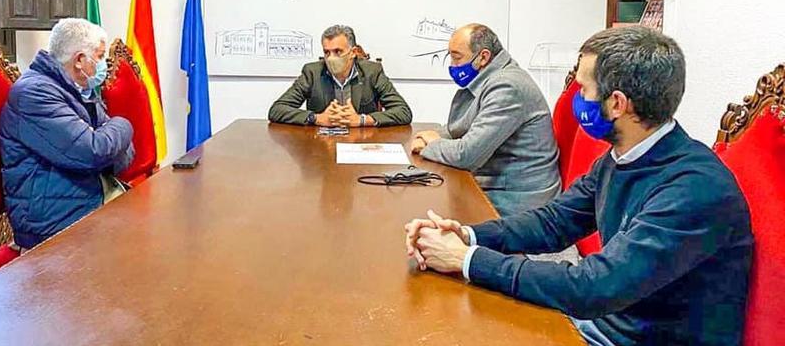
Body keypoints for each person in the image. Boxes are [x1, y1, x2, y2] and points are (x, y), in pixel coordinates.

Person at [404, 26, 753, 346]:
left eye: (584, 89)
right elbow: (554, 222)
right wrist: (468, 235)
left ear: (616, 103)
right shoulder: (622, 156)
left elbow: (593, 286)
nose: (577, 99)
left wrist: (468, 260)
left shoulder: (694, 189)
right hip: (601, 321)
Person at [0, 18, 135, 250]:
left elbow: (121, 153)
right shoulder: (35, 93)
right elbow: (94, 151)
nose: (105, 65)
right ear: (80, 60)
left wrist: (107, 147)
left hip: (87, 199)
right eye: (100, 57)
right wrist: (124, 123)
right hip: (55, 222)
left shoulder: (75, 88)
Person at [411, 24, 560, 216]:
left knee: (427, 214)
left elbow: (467, 155)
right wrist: (432, 136)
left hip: (520, 201)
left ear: (483, 57)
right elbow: (463, 127)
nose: (452, 66)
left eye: (457, 58)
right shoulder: (492, 78)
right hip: (499, 185)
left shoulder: (507, 87)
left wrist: (430, 145)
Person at [268, 24, 412, 127]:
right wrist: (316, 118)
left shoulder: (372, 72)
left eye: (338, 52)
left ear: (353, 52)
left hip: (361, 144)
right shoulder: (312, 72)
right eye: (327, 52)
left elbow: (403, 111)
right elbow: (277, 110)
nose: (331, 58)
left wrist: (361, 120)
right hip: (320, 148)